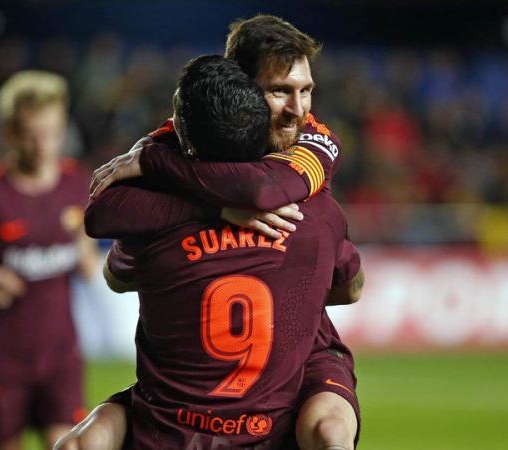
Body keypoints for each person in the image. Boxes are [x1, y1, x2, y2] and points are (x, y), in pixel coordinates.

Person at [86, 15, 361, 449]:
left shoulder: (314, 140)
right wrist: (214, 205)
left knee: (330, 432)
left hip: (299, 337)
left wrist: (163, 168)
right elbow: (103, 214)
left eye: (306, 90)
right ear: (242, 89)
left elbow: (265, 189)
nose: (298, 108)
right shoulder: (185, 134)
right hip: (208, 347)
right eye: (279, 91)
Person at [0, 70, 99, 450]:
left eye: (53, 132)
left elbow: (88, 262)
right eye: (33, 134)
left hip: (61, 353)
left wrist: (87, 253)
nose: (44, 144)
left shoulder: (78, 184)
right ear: (10, 132)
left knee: (67, 444)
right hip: (5, 358)